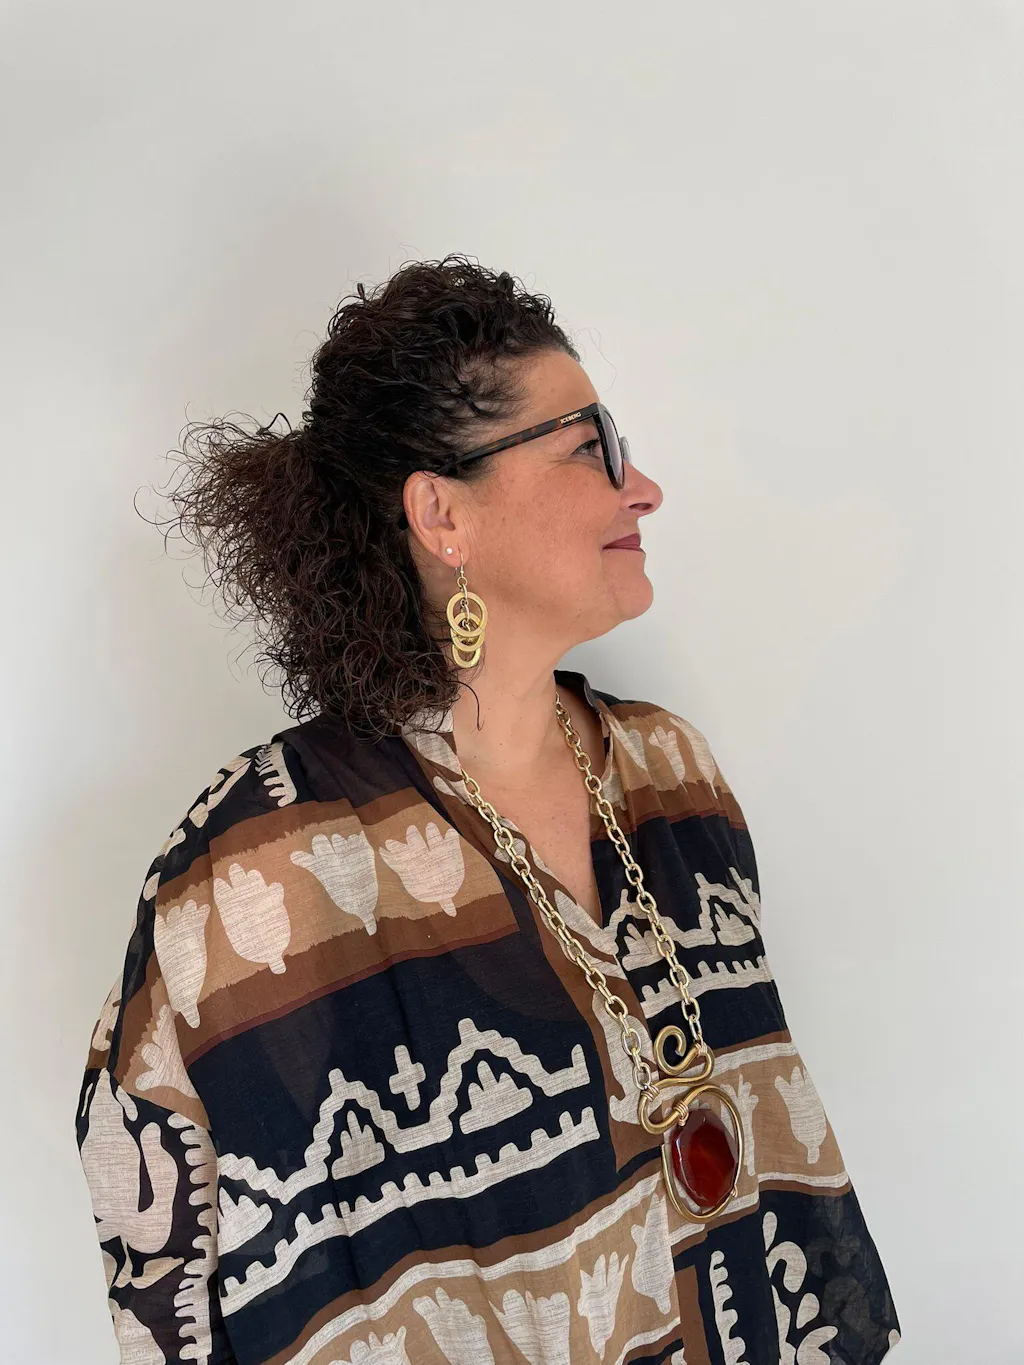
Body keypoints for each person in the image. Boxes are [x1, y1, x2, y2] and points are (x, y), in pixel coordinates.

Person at [75, 254, 901, 1365]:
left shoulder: (672, 775)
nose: (643, 487)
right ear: (441, 513)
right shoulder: (256, 869)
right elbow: (164, 1263)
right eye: (590, 447)